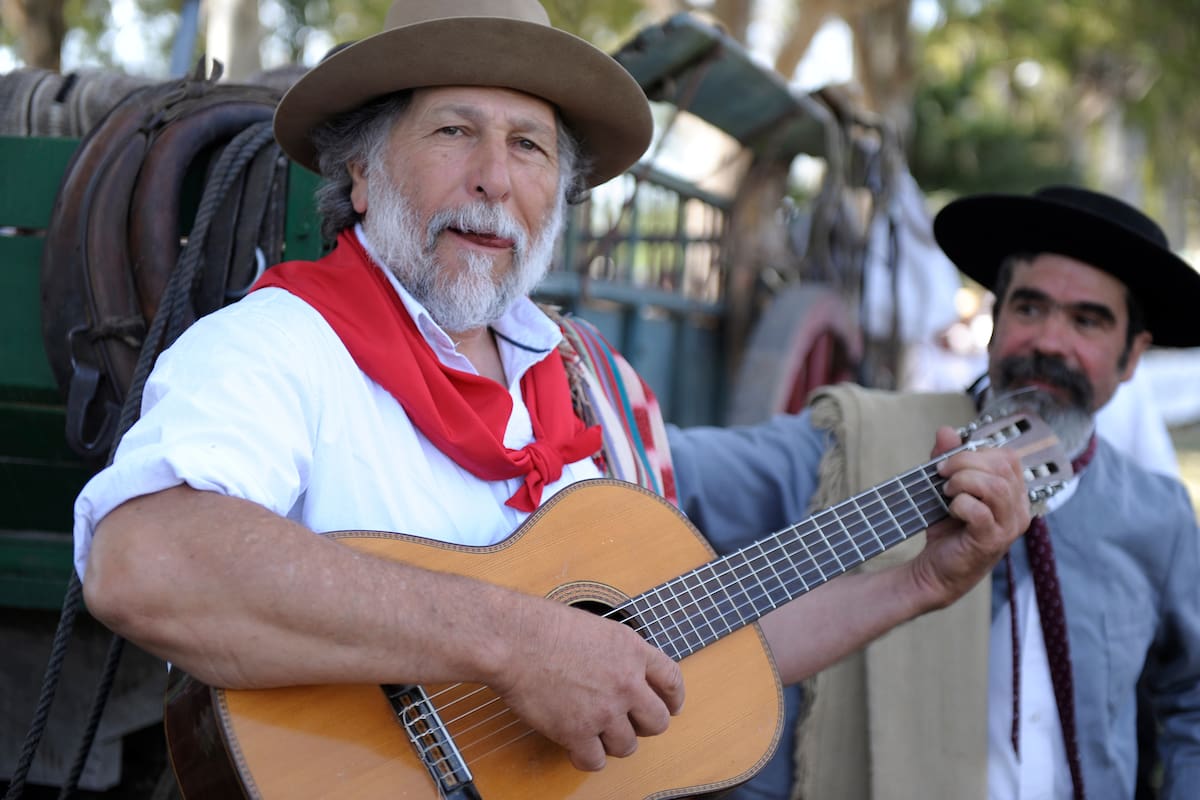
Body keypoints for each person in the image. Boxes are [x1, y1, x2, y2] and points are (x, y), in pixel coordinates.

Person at [71, 1, 1031, 797]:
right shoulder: (280, 346)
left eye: (529, 146)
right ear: (359, 173)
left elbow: (667, 661)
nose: (494, 177)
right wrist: (514, 642)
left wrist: (914, 583)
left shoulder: (594, 385)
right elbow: (143, 561)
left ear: (558, 194)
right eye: (454, 131)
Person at [747, 185, 1200, 799]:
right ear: (994, 320)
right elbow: (677, 470)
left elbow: (1192, 699)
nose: (1050, 341)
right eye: (1030, 309)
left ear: (1131, 357)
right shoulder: (854, 442)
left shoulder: (1159, 516)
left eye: (1088, 321)